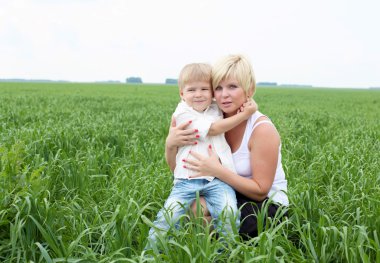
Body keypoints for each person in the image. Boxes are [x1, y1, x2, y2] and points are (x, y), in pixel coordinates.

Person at [165, 54, 288, 240]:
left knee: (212, 219)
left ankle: (226, 252)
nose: (224, 95)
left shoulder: (262, 130)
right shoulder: (211, 119)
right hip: (230, 192)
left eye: (233, 86)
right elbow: (179, 169)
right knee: (191, 208)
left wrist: (218, 170)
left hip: (266, 205)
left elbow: (261, 190)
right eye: (218, 88)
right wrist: (170, 144)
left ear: (250, 89)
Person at [145, 63, 257, 250]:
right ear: (182, 94)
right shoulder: (182, 113)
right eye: (191, 90)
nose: (198, 94)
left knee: (228, 214)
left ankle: (226, 253)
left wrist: (247, 103)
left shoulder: (215, 108)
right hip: (186, 181)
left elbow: (231, 104)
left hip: (218, 180)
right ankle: (151, 254)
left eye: (205, 89)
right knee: (168, 217)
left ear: (212, 92)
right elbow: (213, 129)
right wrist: (245, 114)